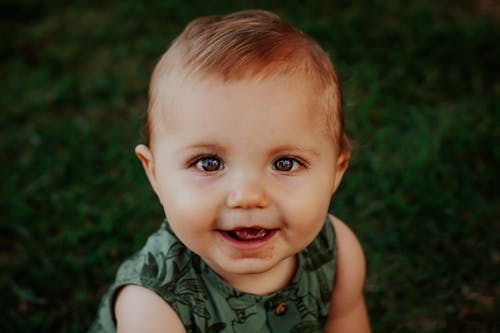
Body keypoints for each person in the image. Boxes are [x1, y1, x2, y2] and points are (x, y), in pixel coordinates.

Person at [89, 9, 370, 333]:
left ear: (336, 172)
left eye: (285, 163)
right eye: (209, 163)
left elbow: (347, 322)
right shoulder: (152, 308)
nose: (248, 197)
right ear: (155, 174)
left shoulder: (338, 253)